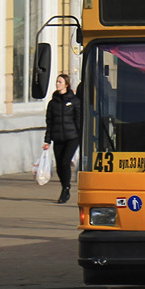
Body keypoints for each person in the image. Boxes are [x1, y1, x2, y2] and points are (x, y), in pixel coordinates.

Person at [43, 73, 82, 204]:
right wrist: (47, 140)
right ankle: (64, 185)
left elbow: (78, 120)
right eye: (57, 82)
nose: (57, 84)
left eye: (60, 82)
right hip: (58, 137)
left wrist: (81, 137)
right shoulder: (53, 103)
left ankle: (66, 189)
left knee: (65, 162)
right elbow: (49, 122)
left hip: (72, 137)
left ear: (66, 84)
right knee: (59, 165)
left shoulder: (74, 101)